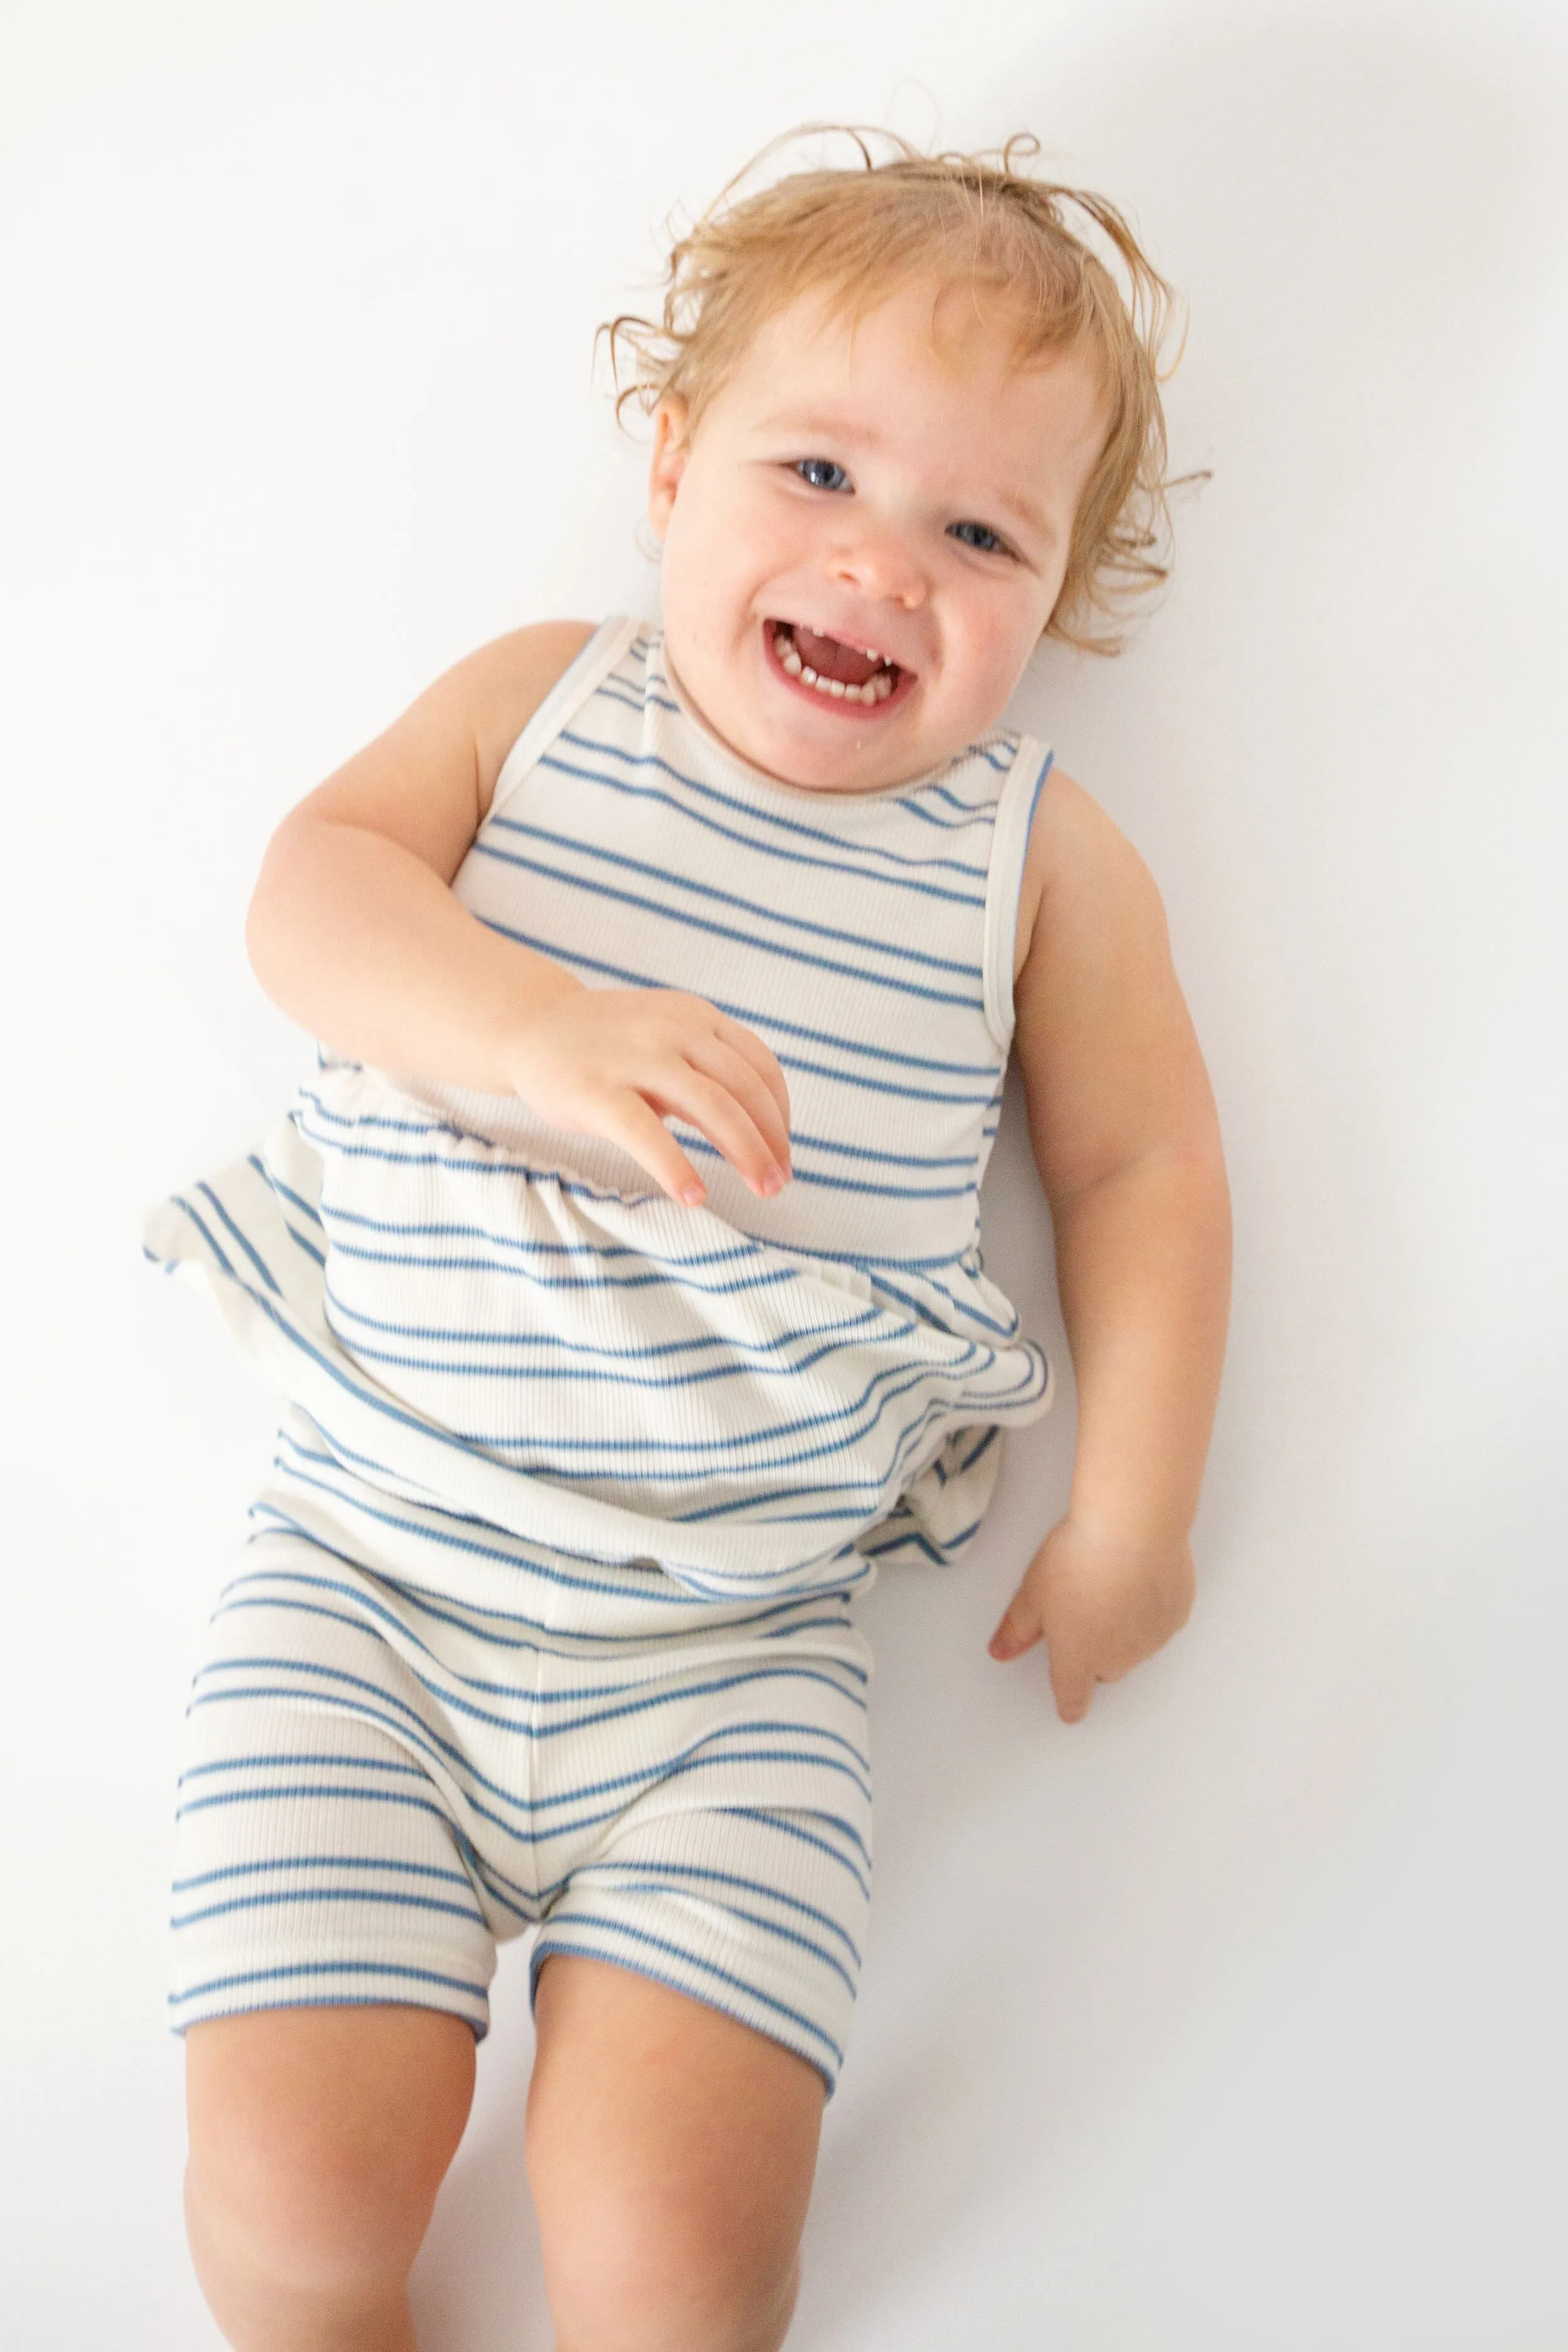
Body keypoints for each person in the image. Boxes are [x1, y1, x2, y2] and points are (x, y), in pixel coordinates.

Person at [146, 127, 1231, 2352]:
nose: (882, 566)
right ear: (669, 466)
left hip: (734, 1667)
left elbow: (1142, 1173)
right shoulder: (545, 699)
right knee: (296, 2181)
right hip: (372, 1574)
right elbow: (312, 893)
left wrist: (1134, 1511)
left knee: (685, 2267)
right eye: (816, 473)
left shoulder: (1036, 853)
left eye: (976, 530)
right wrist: (542, 1030)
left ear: (1053, 599)